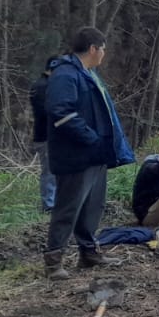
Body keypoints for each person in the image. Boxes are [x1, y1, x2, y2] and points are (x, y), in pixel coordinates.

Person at [43, 27, 135, 280]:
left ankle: (89, 252)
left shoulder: (89, 74)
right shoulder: (65, 74)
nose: (104, 53)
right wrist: (90, 137)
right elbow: (61, 112)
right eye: (103, 48)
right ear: (93, 49)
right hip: (76, 155)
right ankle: (53, 261)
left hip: (96, 155)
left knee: (93, 206)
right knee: (68, 208)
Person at [29, 57, 59, 212]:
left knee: (55, 171)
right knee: (49, 171)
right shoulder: (42, 86)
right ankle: (49, 205)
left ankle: (55, 203)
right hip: (46, 136)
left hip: (52, 136)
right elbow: (45, 112)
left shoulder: (49, 85)